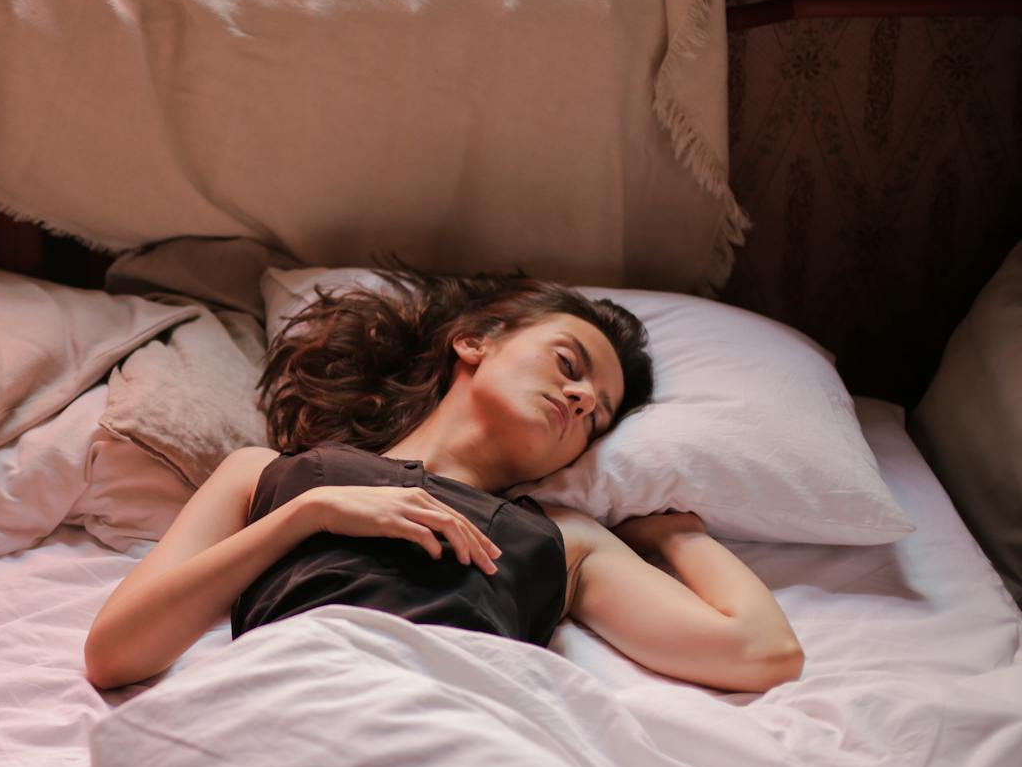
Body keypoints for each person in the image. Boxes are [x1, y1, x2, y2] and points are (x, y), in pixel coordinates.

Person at [84, 263, 805, 695]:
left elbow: (763, 652)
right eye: (569, 362)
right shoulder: (270, 476)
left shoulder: (564, 539)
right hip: (289, 701)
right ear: (474, 342)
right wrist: (307, 516)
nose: (584, 400)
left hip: (460, 727)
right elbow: (117, 651)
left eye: (600, 415)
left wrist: (675, 530)